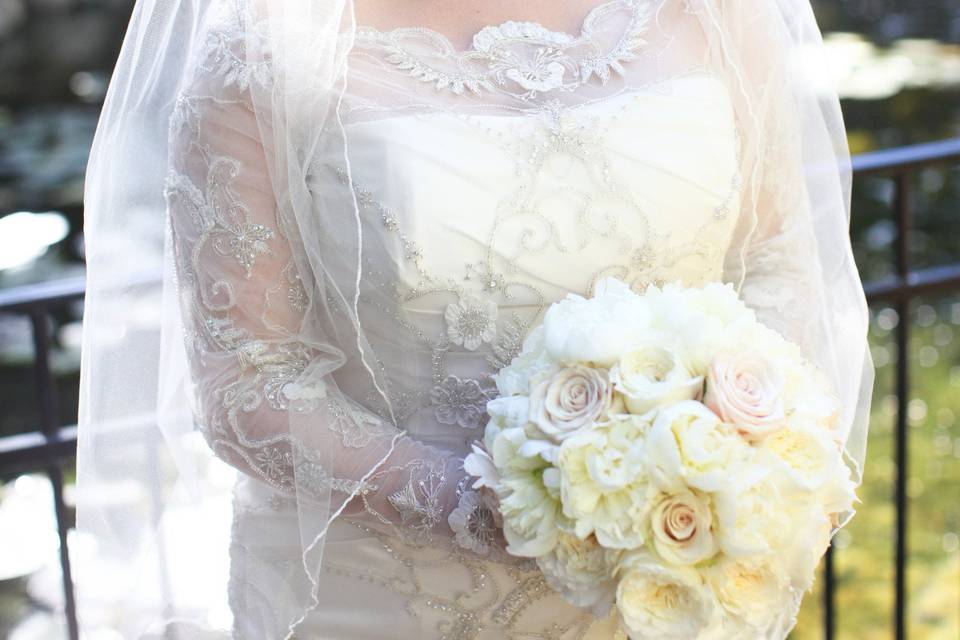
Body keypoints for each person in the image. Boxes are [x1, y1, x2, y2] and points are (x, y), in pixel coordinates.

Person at [77, 0, 874, 637]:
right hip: (387, 600)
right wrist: (486, 502)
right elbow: (246, 384)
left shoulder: (715, 12)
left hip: (671, 572)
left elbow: (777, 264)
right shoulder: (265, 48)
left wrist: (738, 453)